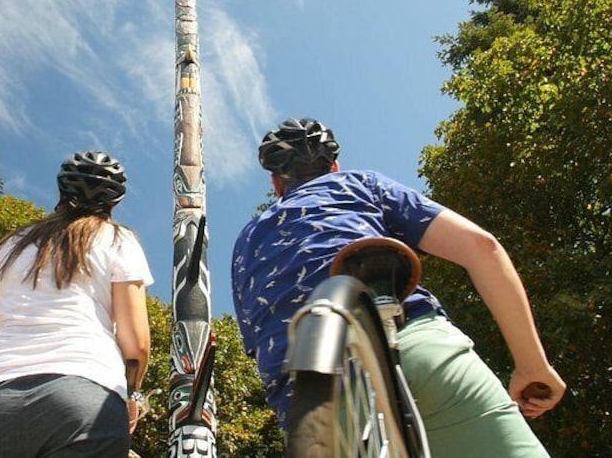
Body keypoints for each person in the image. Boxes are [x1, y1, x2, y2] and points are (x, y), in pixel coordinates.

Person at [231, 118, 566, 457]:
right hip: (415, 344)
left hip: (317, 407)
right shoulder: (358, 184)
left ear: (276, 185)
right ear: (334, 167)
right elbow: (482, 247)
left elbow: (260, 347)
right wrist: (532, 367)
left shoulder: (245, 243)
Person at [0, 150, 153, 458]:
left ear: (61, 191)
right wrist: (132, 393)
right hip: (85, 394)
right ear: (114, 202)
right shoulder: (117, 239)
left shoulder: (10, 246)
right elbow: (136, 343)